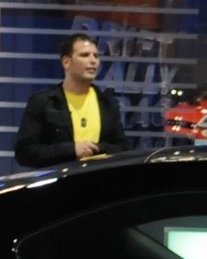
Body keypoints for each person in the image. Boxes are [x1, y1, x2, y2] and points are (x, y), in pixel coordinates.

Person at [13, 33, 129, 167]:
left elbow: (123, 149)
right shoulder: (43, 102)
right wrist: (71, 150)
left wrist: (96, 149)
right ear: (66, 62)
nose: (93, 61)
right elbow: (24, 153)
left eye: (96, 56)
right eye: (85, 55)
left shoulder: (108, 104)